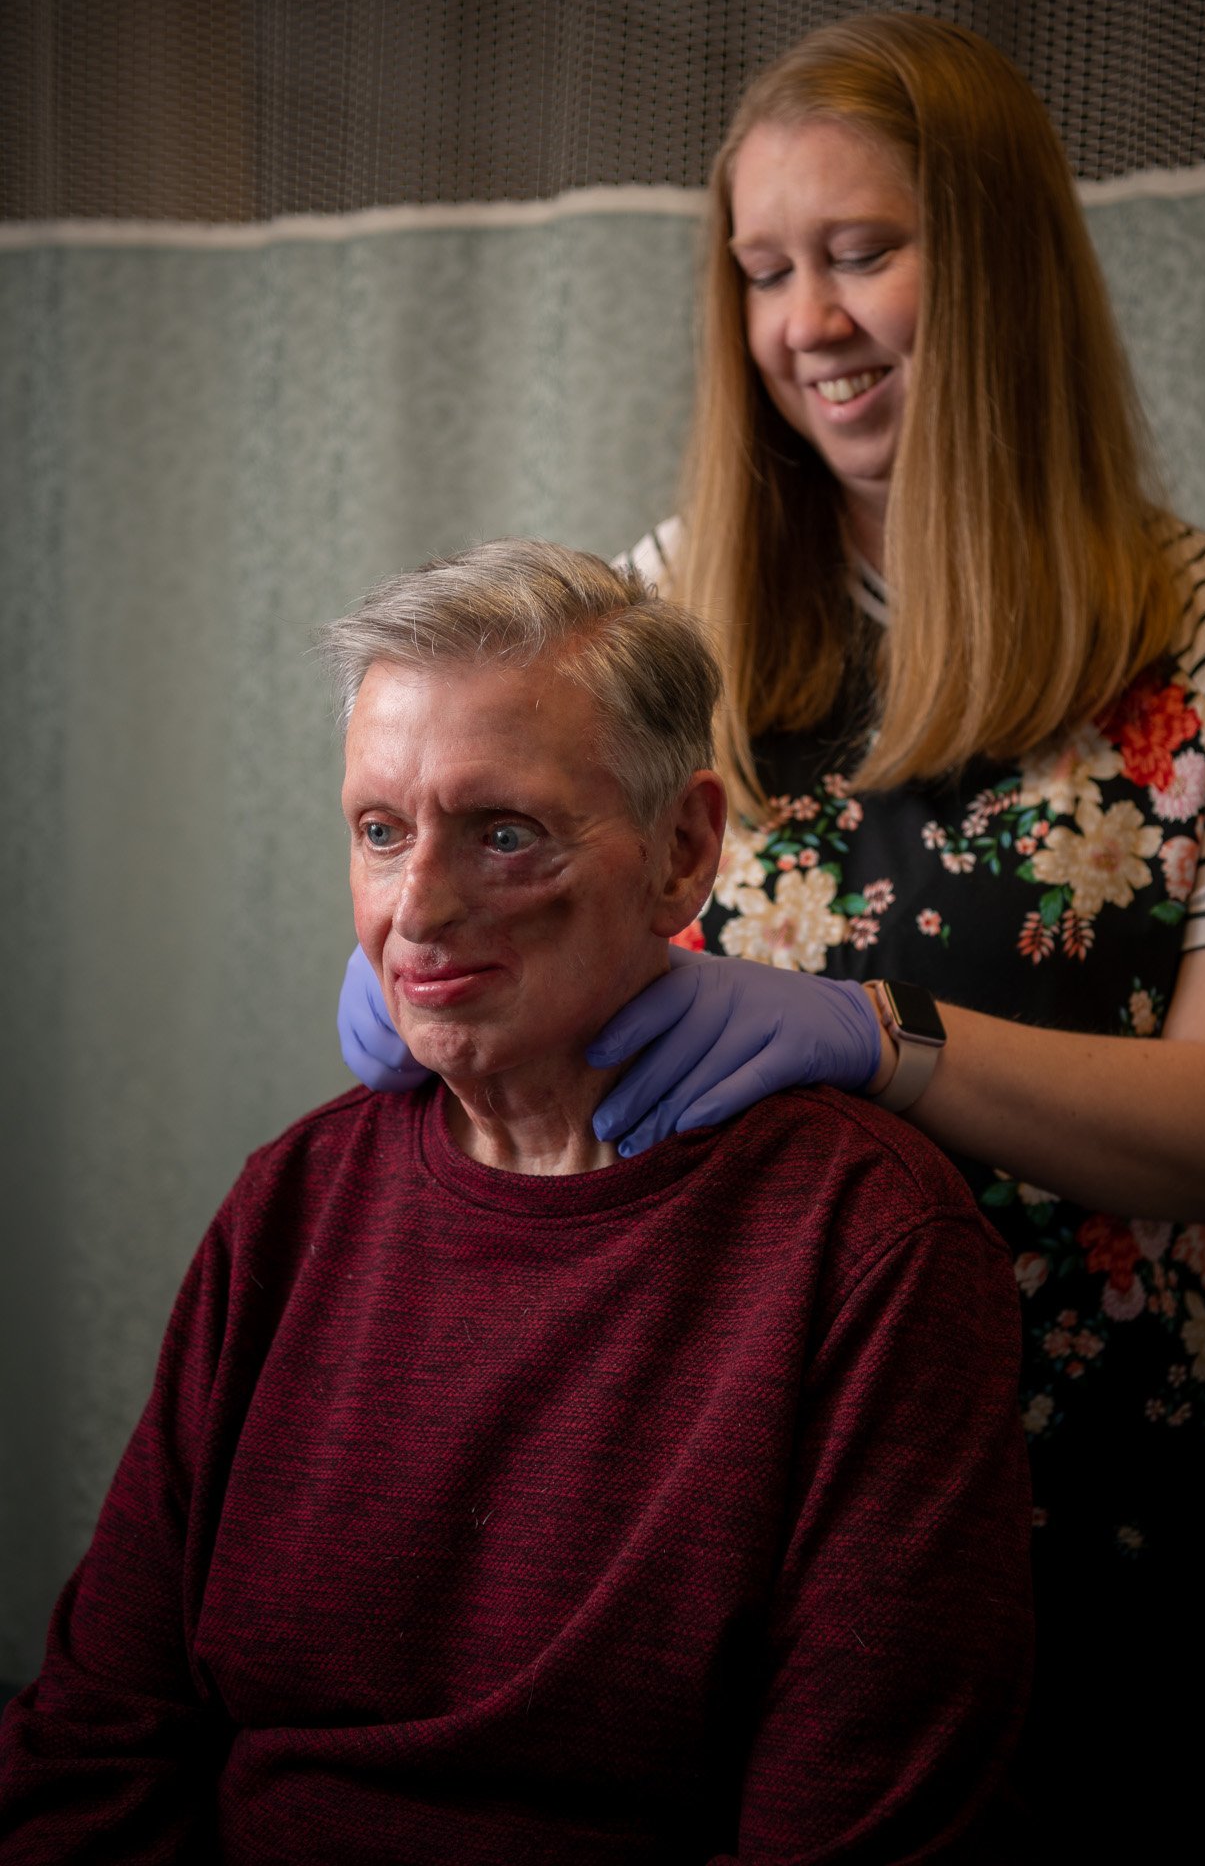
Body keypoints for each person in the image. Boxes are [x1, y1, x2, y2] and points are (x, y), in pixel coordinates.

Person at [339, 18, 1205, 1860]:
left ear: (1001, 267)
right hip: (741, 1518)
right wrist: (438, 954)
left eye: (863, 251)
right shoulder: (663, 612)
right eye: (761, 269)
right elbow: (482, 876)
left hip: (1125, 1548)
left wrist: (888, 1038)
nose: (807, 319)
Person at [0, 541, 1032, 1864]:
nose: (416, 911)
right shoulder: (294, 1205)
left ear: (682, 851)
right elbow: (96, 1741)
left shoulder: (867, 1252)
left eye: (505, 835)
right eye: (379, 832)